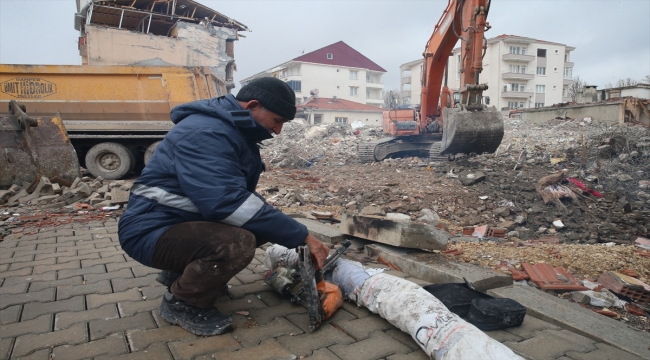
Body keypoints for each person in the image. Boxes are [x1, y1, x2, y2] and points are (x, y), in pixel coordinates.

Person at [117, 77, 330, 336]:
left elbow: (239, 197)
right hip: (148, 230)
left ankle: (181, 275)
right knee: (236, 243)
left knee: (262, 227)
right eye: (277, 121)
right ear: (251, 106)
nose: (278, 131)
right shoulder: (206, 132)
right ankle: (183, 303)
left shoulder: (228, 129)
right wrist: (303, 236)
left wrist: (292, 232)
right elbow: (226, 202)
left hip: (173, 221)